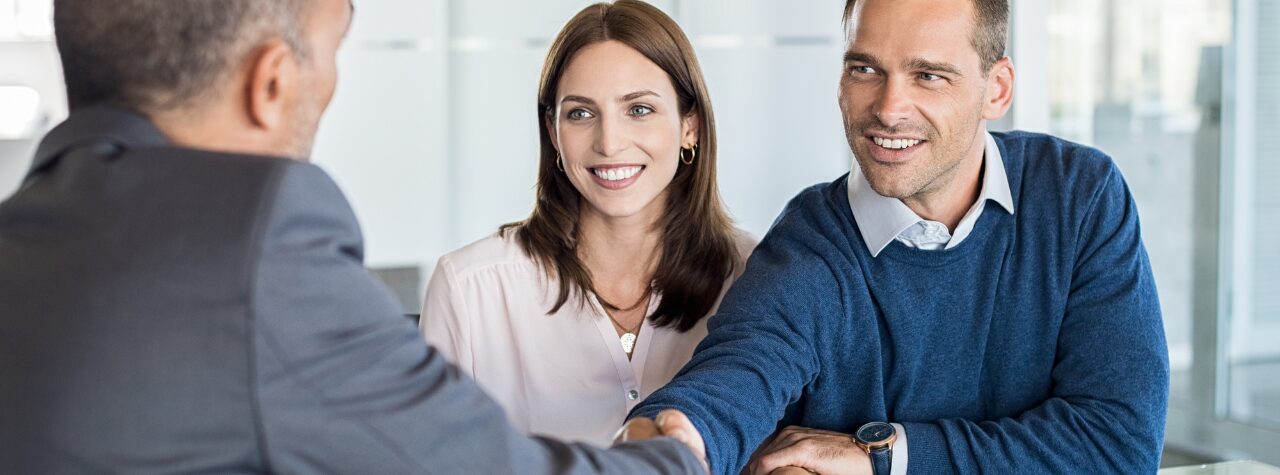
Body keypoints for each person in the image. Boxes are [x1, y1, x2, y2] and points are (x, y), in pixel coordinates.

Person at [0, 0, 704, 473]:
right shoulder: (250, 246)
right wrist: (674, 455)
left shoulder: (29, 232)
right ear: (271, 83)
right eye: (331, 52)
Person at [621, 0, 1169, 473]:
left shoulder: (1079, 196)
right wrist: (670, 446)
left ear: (995, 90)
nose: (887, 108)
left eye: (928, 75)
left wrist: (886, 456)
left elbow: (1119, 444)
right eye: (865, 69)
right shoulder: (812, 245)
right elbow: (736, 377)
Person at [419, 0, 754, 447]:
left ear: (689, 125)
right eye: (580, 113)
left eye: (639, 109)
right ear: (554, 134)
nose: (610, 143)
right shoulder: (470, 289)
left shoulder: (756, 275)